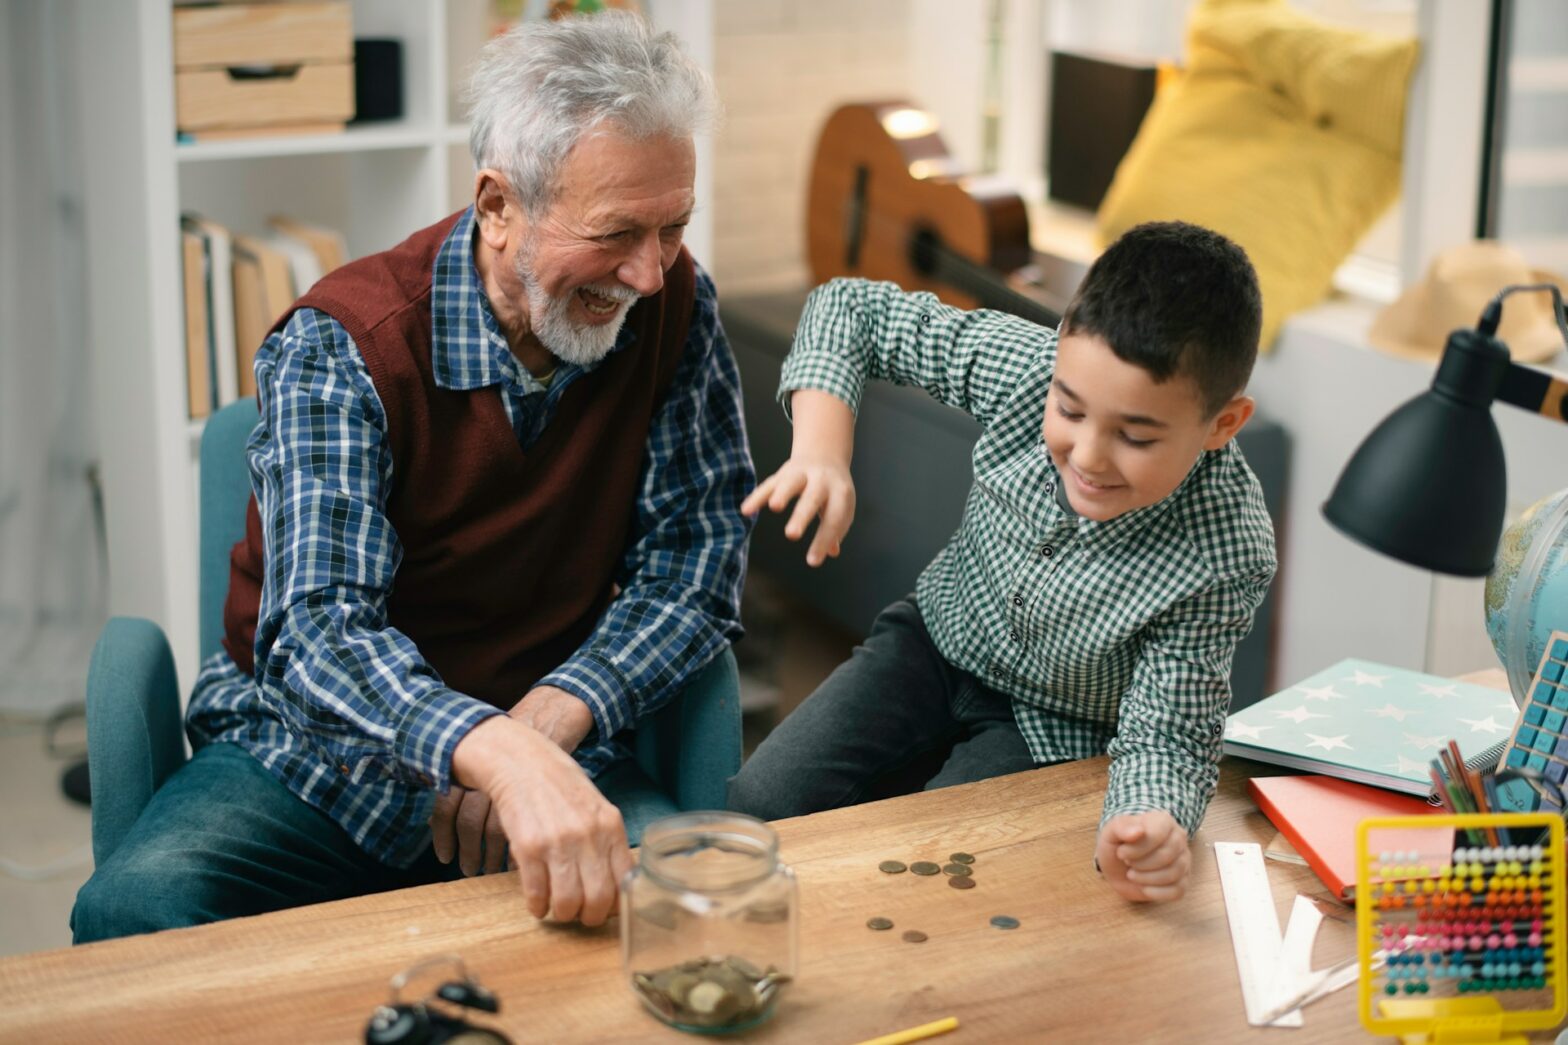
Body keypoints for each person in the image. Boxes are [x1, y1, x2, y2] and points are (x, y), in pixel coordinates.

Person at [73, 11, 752, 942]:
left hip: (561, 738)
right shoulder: (343, 343)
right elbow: (319, 635)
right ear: (498, 206)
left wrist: (548, 725)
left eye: (673, 225)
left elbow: (697, 556)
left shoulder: (676, 304)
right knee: (134, 912)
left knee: (700, 926)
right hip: (313, 763)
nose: (648, 270)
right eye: (616, 232)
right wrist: (486, 753)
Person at [728, 221, 1277, 903]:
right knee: (760, 805)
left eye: (1135, 436)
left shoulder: (1227, 548)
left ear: (1224, 423)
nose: (1088, 455)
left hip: (1055, 722)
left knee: (931, 868)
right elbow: (849, 309)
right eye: (1069, 410)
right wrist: (820, 451)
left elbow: (1169, 728)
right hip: (935, 642)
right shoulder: (1025, 364)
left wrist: (1151, 820)